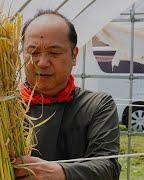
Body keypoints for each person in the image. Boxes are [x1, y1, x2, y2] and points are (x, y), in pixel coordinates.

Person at [15, 10, 121, 180]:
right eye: (33, 52)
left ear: (74, 55)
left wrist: (61, 173)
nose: (42, 63)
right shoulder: (4, 108)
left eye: (54, 53)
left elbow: (108, 167)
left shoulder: (96, 105)